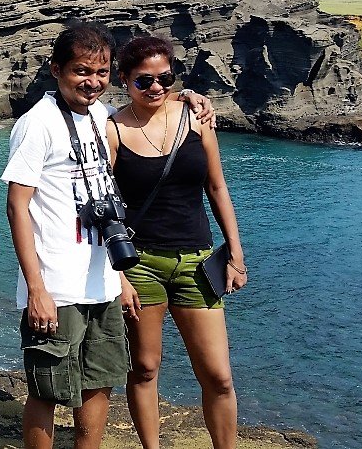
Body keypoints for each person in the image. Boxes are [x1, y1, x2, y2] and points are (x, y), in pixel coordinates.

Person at [2, 22, 214, 449]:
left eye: (100, 72)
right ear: (56, 69)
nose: (92, 82)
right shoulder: (37, 124)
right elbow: (16, 206)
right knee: (47, 388)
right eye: (82, 71)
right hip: (57, 286)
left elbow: (149, 97)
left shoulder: (99, 116)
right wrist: (37, 289)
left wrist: (190, 97)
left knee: (99, 382)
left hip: (99, 279)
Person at [105, 35, 247, 449]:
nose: (155, 88)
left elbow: (217, 188)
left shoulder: (195, 116)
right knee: (145, 368)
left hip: (198, 262)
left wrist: (234, 253)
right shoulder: (112, 131)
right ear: (124, 80)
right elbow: (103, 208)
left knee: (218, 375)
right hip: (140, 264)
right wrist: (118, 276)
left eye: (164, 78)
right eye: (143, 80)